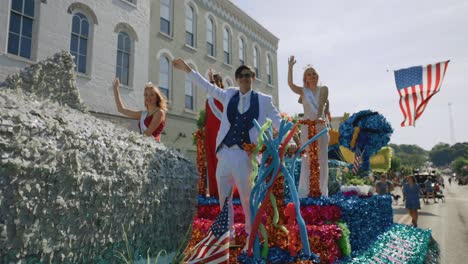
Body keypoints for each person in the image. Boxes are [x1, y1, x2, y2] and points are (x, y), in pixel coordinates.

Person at [172, 59, 282, 251]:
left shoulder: (264, 100)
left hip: (244, 155)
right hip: (225, 153)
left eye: (248, 75)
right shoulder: (230, 94)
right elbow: (207, 87)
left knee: (248, 199)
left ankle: (251, 236)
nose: (245, 79)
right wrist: (187, 69)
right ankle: (226, 236)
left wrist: (289, 139)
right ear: (237, 79)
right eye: (241, 76)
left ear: (253, 78)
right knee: (224, 198)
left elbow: (277, 120)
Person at [288, 56, 330, 197]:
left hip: (319, 126)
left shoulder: (323, 88)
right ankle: (304, 192)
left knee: (322, 158)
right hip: (306, 127)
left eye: (313, 73)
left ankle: (322, 191)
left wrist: (319, 117)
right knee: (306, 158)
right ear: (305, 78)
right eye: (309, 74)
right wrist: (290, 67)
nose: (312, 76)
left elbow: (323, 104)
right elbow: (291, 85)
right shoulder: (303, 91)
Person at [205, 69, 224, 198]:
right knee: (212, 162)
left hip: (222, 133)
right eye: (213, 82)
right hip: (210, 133)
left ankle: (227, 192)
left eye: (218, 82)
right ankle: (214, 192)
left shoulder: (225, 97)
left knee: (222, 161)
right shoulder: (208, 100)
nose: (215, 84)